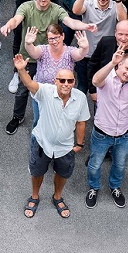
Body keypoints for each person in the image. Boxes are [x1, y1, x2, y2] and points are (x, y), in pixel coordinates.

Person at [0, 0, 97, 134]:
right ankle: (17, 117)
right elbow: (16, 20)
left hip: (49, 57)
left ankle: (55, 120)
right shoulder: (26, 7)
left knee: (54, 90)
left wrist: (86, 26)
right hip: (29, 56)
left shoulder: (56, 9)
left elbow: (71, 23)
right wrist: (8, 26)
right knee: (23, 90)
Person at [12, 53, 89, 219]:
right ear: (55, 81)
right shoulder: (46, 91)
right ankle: (34, 196)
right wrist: (21, 70)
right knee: (37, 172)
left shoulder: (81, 98)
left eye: (70, 81)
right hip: (42, 143)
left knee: (62, 174)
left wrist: (79, 144)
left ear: (74, 82)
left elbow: (81, 122)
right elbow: (29, 84)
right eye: (62, 80)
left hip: (65, 147)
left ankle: (57, 197)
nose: (66, 84)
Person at [86, 48, 128, 209]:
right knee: (95, 164)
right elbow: (95, 81)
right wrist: (112, 63)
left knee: (119, 165)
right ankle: (93, 187)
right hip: (102, 134)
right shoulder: (107, 76)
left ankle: (115, 186)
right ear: (119, 65)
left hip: (124, 134)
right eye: (126, 68)